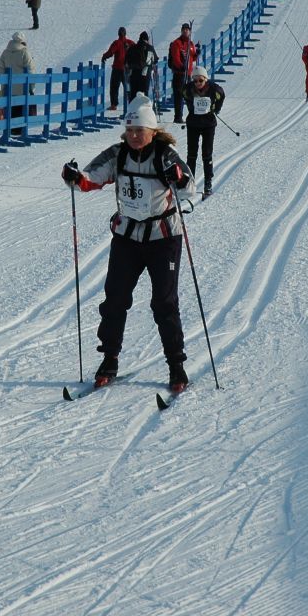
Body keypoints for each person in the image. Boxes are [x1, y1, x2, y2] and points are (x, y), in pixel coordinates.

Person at [60, 93, 197, 392]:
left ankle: (176, 365)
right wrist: (74, 177)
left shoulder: (165, 155)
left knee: (163, 302)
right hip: (127, 238)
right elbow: (90, 178)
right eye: (130, 130)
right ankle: (109, 358)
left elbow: (189, 186)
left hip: (163, 238)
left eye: (140, 131)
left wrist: (178, 178)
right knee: (115, 300)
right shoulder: (117, 154)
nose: (134, 136)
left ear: (152, 131)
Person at [181, 65, 224, 199]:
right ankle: (189, 181)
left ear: (205, 79)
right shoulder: (188, 89)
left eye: (201, 80)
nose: (198, 83)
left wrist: (216, 109)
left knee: (207, 153)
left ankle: (208, 182)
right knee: (191, 154)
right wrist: (190, 107)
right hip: (193, 123)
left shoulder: (214, 89)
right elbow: (183, 95)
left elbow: (221, 96)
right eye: (195, 80)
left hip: (208, 124)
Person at [0, 31, 36, 134]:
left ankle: (11, 130)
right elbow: (30, 70)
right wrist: (32, 87)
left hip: (9, 88)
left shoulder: (5, 52)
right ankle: (19, 130)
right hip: (22, 88)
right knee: (21, 109)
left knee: (11, 109)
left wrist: (3, 85)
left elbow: (1, 69)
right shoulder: (24, 52)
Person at [167, 23, 197, 124]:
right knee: (179, 95)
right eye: (183, 29)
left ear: (189, 31)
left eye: (187, 30)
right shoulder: (177, 43)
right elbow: (175, 58)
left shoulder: (190, 44)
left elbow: (193, 57)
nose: (185, 31)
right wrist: (181, 66)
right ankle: (178, 117)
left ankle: (192, 116)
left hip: (188, 74)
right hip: (179, 74)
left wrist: (198, 53)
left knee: (189, 95)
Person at [101, 27, 134, 111]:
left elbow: (111, 52)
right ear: (125, 33)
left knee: (114, 87)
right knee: (128, 87)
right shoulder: (130, 43)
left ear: (118, 34)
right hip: (127, 69)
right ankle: (131, 104)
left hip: (117, 69)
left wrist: (104, 56)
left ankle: (114, 105)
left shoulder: (117, 43)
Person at [125, 31, 158, 98]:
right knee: (144, 96)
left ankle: (133, 107)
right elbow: (155, 59)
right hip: (145, 76)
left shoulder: (132, 48)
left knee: (133, 95)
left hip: (133, 75)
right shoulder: (150, 48)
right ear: (147, 39)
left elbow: (126, 61)